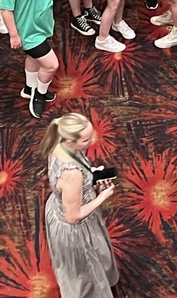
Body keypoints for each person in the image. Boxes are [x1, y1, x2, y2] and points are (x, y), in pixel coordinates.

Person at [39, 113, 119, 298]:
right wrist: (102, 196)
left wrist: (91, 174)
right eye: (86, 139)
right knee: (86, 272)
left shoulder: (59, 145)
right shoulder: (72, 175)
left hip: (61, 205)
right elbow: (73, 216)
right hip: (76, 229)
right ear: (71, 140)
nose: (91, 141)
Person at [0, 0, 59, 118]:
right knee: (51, 65)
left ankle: (29, 87)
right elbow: (5, 9)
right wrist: (14, 35)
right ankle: (38, 96)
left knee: (34, 59)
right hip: (27, 30)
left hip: (42, 23)